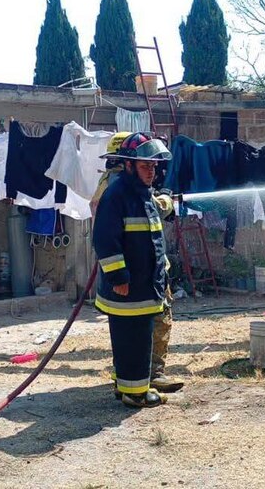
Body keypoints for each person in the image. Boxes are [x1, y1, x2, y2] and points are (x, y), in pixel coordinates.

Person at [91, 132, 184, 394]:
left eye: (154, 166)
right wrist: (118, 276)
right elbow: (105, 239)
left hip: (149, 279)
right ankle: (135, 388)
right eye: (145, 166)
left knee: (147, 331)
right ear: (128, 164)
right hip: (131, 284)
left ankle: (144, 378)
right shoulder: (116, 192)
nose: (151, 172)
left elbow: (150, 230)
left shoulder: (141, 193)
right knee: (132, 337)